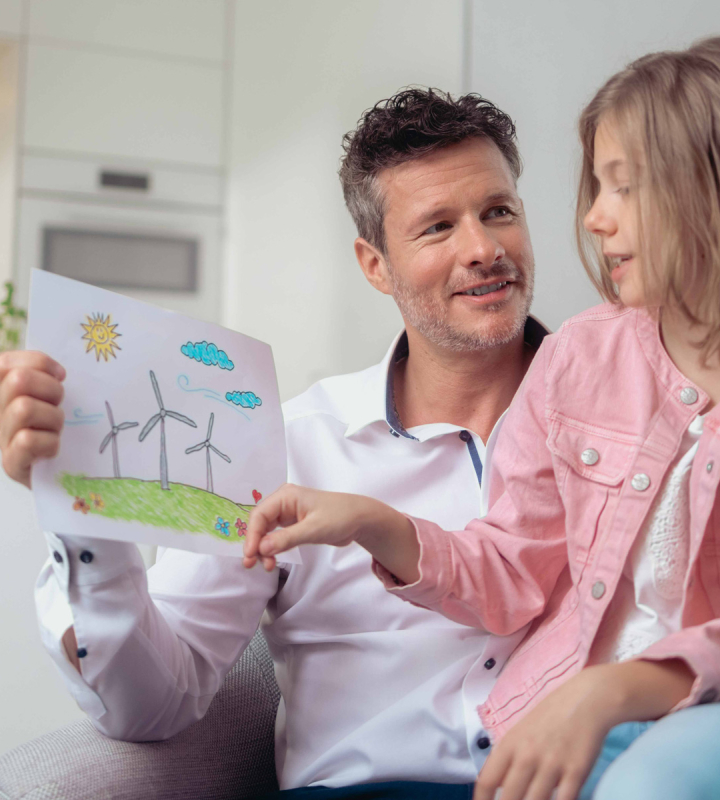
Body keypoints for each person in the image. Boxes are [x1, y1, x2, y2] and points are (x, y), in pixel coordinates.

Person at [0, 89, 547, 796]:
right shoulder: (284, 448)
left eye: (498, 211)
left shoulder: (631, 415)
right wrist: (84, 520)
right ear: (375, 264)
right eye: (438, 227)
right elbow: (152, 705)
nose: (484, 249)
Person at [244, 38, 720, 800]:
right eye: (596, 187)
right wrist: (375, 522)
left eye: (625, 188)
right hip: (560, 733)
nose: (594, 219)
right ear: (375, 264)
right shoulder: (582, 358)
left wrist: (616, 689)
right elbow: (510, 567)